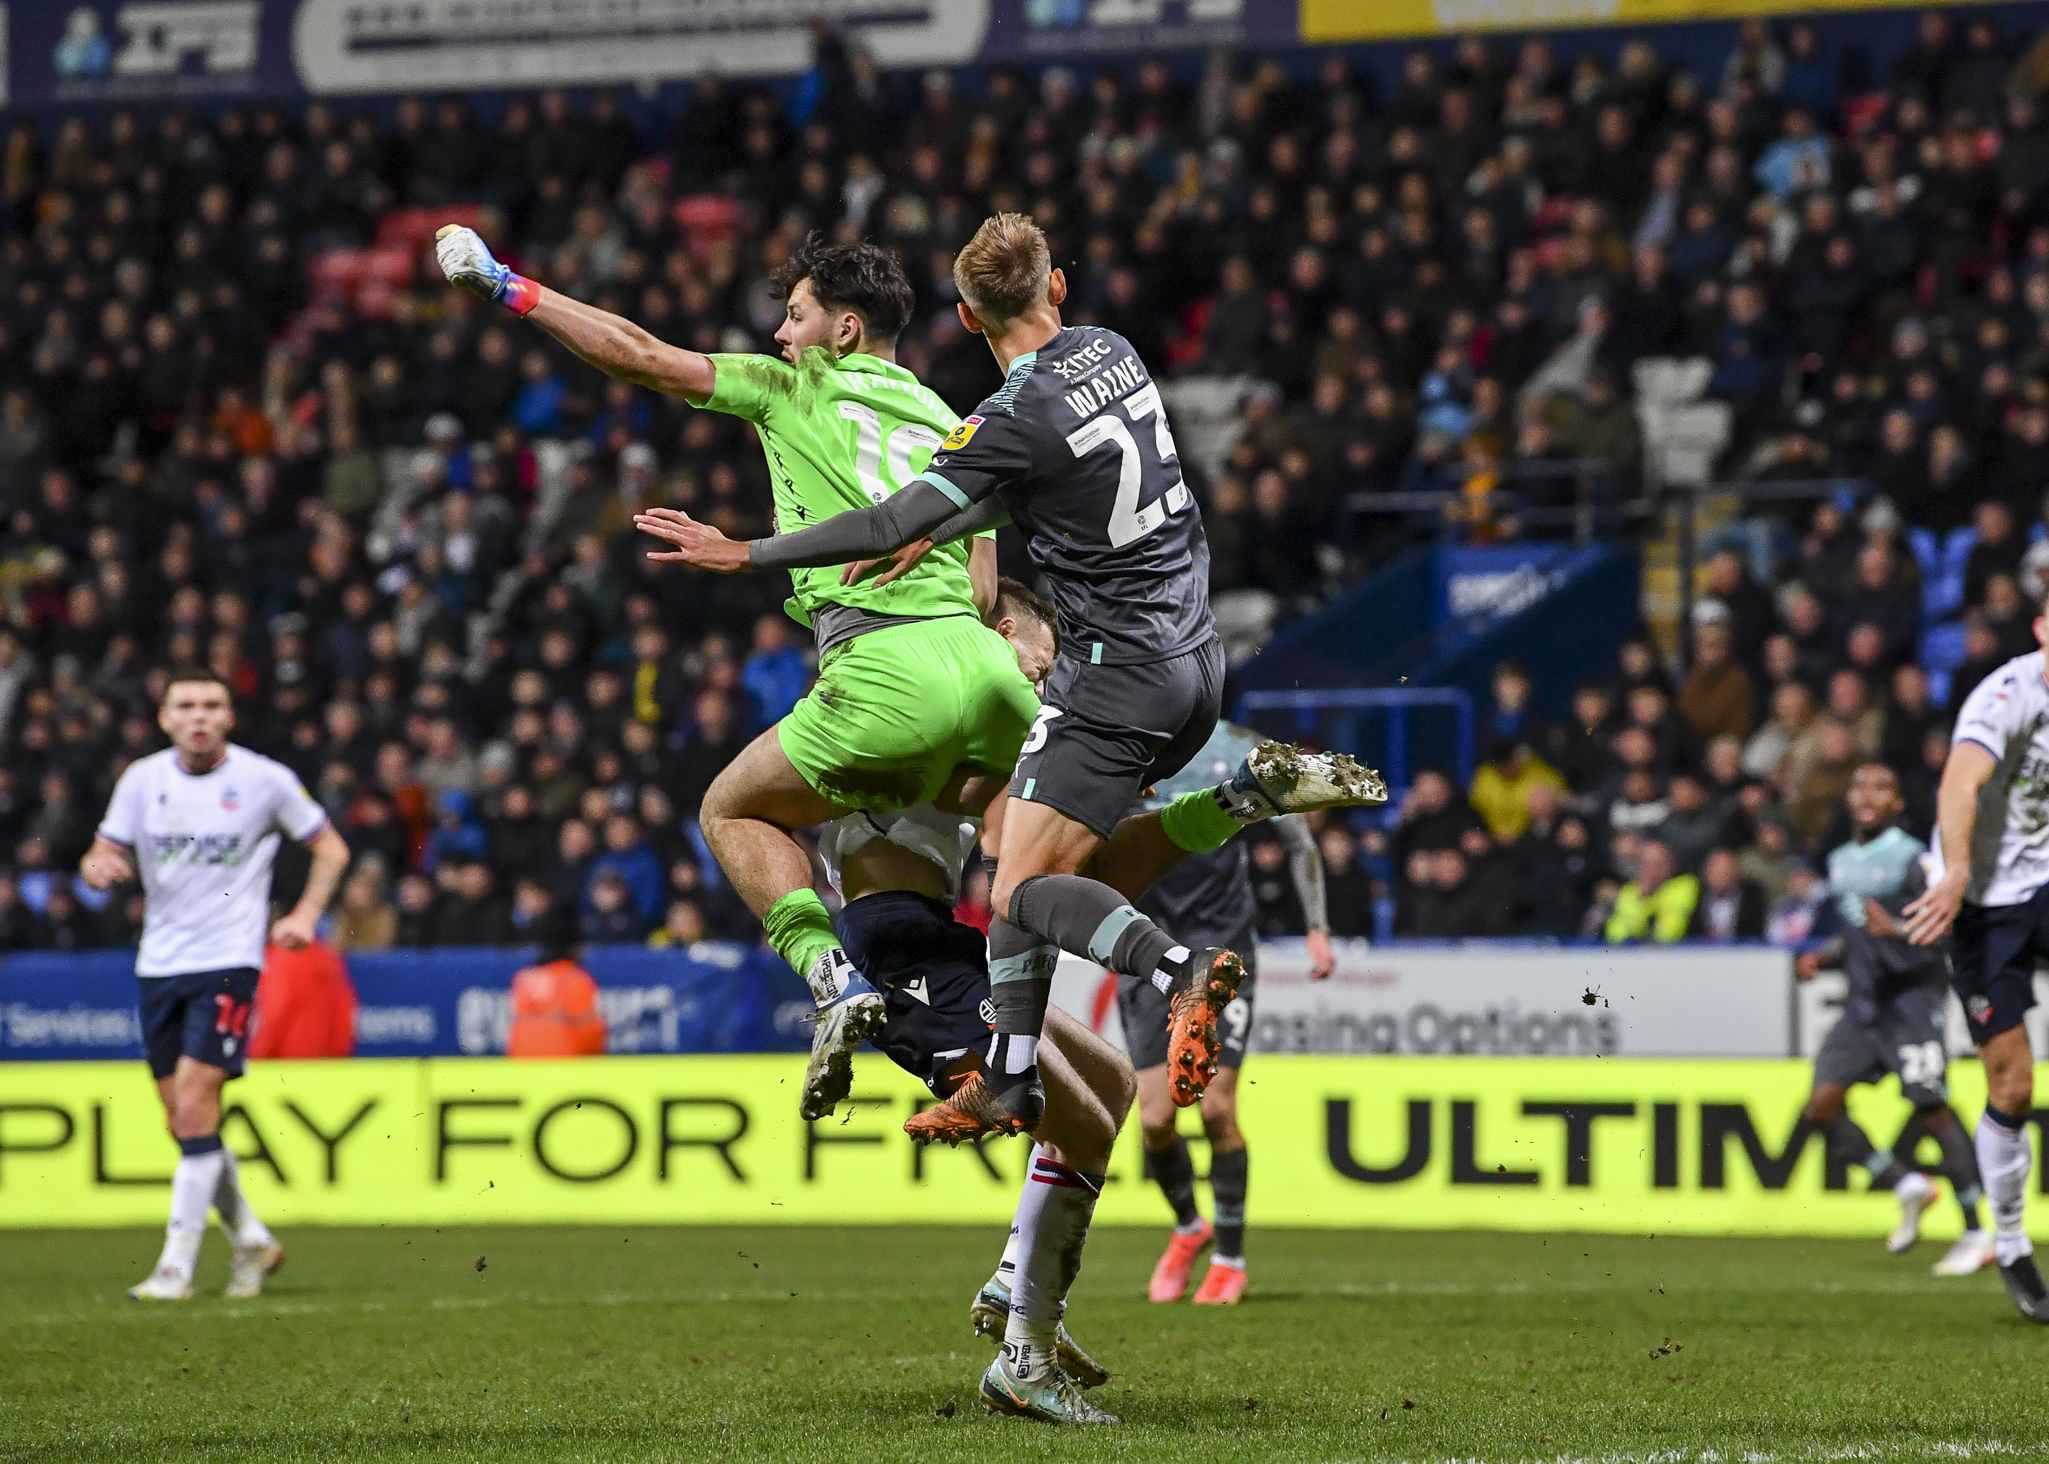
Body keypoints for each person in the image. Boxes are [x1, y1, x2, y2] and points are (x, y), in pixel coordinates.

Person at [626, 211, 1383, 1148]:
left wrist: (749, 552)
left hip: (1114, 674)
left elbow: (887, 517)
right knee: (1055, 873)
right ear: (1056, 286)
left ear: (967, 317)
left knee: (1025, 893)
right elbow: (1007, 493)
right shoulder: (1111, 350)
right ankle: (1015, 1071)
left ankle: (1175, 966)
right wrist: (946, 536)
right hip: (1197, 654)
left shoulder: (1005, 417)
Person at [435, 226, 1033, 1123]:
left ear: (842, 330)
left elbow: (639, 356)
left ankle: (830, 983)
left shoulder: (790, 386)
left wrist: (504, 284)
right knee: (915, 876)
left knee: (731, 807)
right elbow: (986, 588)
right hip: (988, 672)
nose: (782, 336)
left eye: (795, 317)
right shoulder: (954, 423)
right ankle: (1016, 1034)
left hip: (884, 666)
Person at [816, 580, 1123, 1424]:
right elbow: (979, 808)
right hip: (898, 944)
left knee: (1114, 1082)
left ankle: (1014, 1279)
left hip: (939, 934)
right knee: (1082, 1122)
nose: (1041, 676)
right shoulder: (927, 704)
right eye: (1040, 658)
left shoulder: (964, 711)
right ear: (1001, 627)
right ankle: (1024, 1355)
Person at [80, 672, 351, 1301]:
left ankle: (175, 1268)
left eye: (211, 705)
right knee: (185, 1121)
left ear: (229, 717)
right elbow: (101, 852)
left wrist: (307, 913)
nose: (198, 716)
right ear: (164, 717)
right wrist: (99, 867)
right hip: (158, 963)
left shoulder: (265, 780)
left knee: (199, 1101)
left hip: (229, 959)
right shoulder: (142, 780)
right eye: (186, 706)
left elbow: (331, 848)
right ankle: (252, 1239)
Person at [1115, 722, 1334, 1309]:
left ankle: (1231, 1260)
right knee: (1156, 1121)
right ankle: (1190, 1227)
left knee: (1215, 1105)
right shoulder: (1121, 744)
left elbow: (1298, 841)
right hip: (1147, 953)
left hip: (1222, 955)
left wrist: (1316, 927)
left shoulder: (1243, 752)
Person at [1905, 606, 2049, 1320]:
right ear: (2040, 629)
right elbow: (1957, 785)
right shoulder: (2006, 696)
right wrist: (1955, 873)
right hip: (1983, 901)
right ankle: (2013, 1242)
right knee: (2013, 1085)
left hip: (2044, 881)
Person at [1800, 765, 1991, 1276]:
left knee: (1932, 1109)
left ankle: (1977, 1231)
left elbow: (1948, 927)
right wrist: (1825, 957)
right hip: (1863, 1005)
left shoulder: (1915, 859)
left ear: (1897, 803)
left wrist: (1901, 929)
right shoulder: (1839, 862)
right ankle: (1906, 1184)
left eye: (1881, 787)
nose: (1868, 794)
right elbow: (1858, 933)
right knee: (1820, 1109)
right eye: (1859, 785)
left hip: (1911, 1002)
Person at [506, 905, 607, 1057]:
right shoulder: (577, 980)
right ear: (575, 947)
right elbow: (592, 1036)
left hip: (522, 1070)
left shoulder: (523, 979)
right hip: (566, 1069)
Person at [248, 934, 356, 1059]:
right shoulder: (327, 954)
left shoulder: (281, 957)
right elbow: (345, 1011)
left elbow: (274, 1011)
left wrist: (258, 1054)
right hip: (324, 1062)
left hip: (285, 1062)